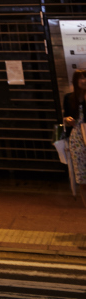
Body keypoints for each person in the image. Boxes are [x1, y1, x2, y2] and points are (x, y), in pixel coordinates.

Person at [62, 67, 86, 205]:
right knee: (82, 174)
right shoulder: (69, 97)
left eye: (85, 77)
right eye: (81, 78)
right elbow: (65, 117)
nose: (84, 81)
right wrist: (67, 119)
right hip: (77, 138)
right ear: (75, 81)